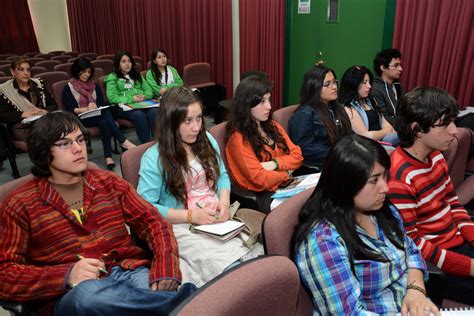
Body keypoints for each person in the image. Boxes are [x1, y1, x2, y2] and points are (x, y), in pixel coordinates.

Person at [0, 112, 195, 315]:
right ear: (43, 151)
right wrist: (65, 275)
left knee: (154, 288)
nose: (78, 149)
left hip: (126, 270)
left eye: (80, 140)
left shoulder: (109, 182)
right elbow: (4, 274)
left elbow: (154, 222)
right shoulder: (20, 203)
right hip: (71, 292)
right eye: (65, 143)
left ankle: (182, 304)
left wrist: (165, 266)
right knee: (89, 297)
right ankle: (191, 302)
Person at [293, 134, 439, 315]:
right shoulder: (323, 241)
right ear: (346, 184)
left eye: (385, 177)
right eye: (373, 180)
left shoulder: (382, 210)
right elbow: (349, 313)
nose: (385, 187)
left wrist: (416, 290)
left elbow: (410, 250)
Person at [137, 87, 254, 287]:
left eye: (199, 118)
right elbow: (145, 208)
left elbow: (222, 176)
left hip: (216, 217)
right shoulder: (153, 158)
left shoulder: (206, 140)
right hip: (182, 223)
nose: (196, 128)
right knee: (225, 266)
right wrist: (191, 216)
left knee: (250, 258)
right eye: (188, 121)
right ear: (171, 122)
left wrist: (224, 202)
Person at [387, 87, 474, 305]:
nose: (454, 130)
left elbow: (452, 202)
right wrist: (469, 266)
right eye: (445, 124)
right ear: (417, 129)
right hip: (437, 262)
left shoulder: (435, 157)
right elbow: (413, 245)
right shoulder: (400, 179)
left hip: (458, 242)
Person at [226, 76, 303, 213]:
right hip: (263, 196)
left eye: (269, 100)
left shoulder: (273, 126)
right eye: (262, 101)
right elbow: (260, 179)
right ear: (247, 104)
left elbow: (297, 155)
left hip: (285, 187)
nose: (269, 106)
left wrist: (274, 164)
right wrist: (286, 172)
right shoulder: (238, 139)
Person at [62, 57, 136, 169]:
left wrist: (95, 107)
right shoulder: (68, 88)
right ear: (77, 71)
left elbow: (101, 103)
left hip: (97, 115)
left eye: (88, 72)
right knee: (105, 116)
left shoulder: (94, 85)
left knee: (104, 120)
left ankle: (108, 157)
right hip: (80, 117)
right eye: (83, 72)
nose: (86, 75)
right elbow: (70, 109)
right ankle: (122, 141)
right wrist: (86, 109)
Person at [288, 65, 352, 169]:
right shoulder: (305, 114)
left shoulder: (337, 108)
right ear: (315, 87)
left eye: (335, 82)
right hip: (318, 166)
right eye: (327, 84)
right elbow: (303, 149)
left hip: (340, 160)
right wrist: (339, 153)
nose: (334, 87)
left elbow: (348, 135)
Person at [105, 50, 157, 143]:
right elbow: (112, 97)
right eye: (123, 61)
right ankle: (147, 145)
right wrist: (132, 99)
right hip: (122, 107)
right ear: (118, 64)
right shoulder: (112, 77)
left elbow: (149, 90)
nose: (127, 64)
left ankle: (159, 142)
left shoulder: (137, 75)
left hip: (141, 103)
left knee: (154, 112)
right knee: (139, 115)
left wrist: (144, 96)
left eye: (129, 61)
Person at [340, 65, 399, 147]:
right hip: (366, 146)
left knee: (406, 138)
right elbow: (365, 136)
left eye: (369, 82)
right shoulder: (349, 107)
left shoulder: (371, 101)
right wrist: (385, 131)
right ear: (353, 84)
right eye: (364, 83)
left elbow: (386, 125)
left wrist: (386, 131)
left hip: (382, 140)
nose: (369, 86)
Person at [0, 57, 57, 140]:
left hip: (43, 120)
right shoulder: (4, 90)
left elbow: (53, 104)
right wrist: (22, 114)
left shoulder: (38, 84)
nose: (26, 73)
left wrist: (45, 111)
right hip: (21, 125)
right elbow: (2, 115)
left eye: (28, 70)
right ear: (12, 72)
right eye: (21, 70)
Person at [371, 48, 404, 127]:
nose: (400, 69)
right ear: (383, 68)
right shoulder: (374, 89)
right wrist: (406, 127)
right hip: (387, 131)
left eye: (400, 65)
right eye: (396, 65)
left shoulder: (398, 87)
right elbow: (383, 118)